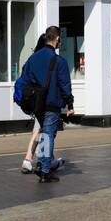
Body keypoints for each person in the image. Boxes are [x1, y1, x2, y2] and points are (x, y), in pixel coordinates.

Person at [19, 26, 73, 181]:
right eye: (60, 39)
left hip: (36, 103)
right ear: (57, 39)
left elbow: (25, 76)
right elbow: (64, 85)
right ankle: (44, 170)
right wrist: (70, 104)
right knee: (48, 134)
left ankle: (43, 165)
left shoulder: (33, 58)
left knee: (44, 134)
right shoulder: (59, 61)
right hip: (51, 102)